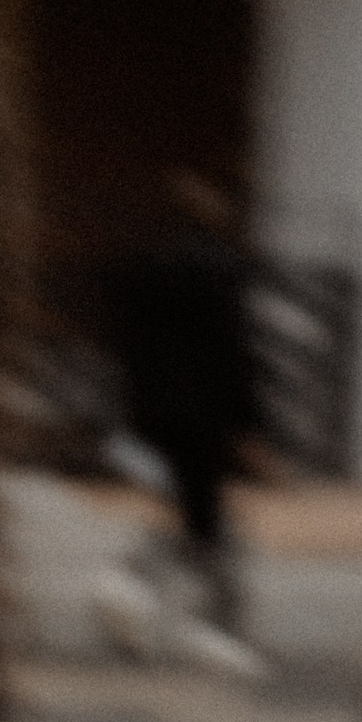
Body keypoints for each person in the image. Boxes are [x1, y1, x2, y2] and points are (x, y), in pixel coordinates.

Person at [100, 169, 265, 680]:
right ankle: (213, 626)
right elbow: (234, 351)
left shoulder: (151, 268)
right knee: (208, 520)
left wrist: (134, 409)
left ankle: (134, 588)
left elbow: (132, 346)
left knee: (190, 514)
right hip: (207, 418)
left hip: (157, 415)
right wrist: (252, 421)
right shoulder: (225, 271)